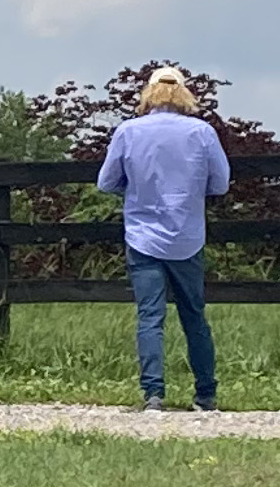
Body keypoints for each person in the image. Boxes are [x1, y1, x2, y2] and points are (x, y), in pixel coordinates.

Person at [94, 66, 233, 412]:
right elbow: (221, 184)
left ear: (149, 93)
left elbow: (106, 182)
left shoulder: (128, 132)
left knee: (150, 317)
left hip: (143, 236)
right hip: (187, 236)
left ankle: (153, 394)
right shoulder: (202, 133)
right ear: (184, 93)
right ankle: (206, 393)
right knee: (194, 316)